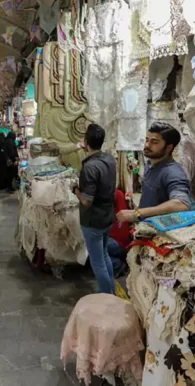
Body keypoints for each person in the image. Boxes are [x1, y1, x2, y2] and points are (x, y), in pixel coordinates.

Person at [116, 122, 192, 224]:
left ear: (169, 148)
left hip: (158, 230)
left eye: (154, 142)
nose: (147, 145)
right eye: (147, 140)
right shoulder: (150, 163)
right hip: (144, 225)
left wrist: (137, 213)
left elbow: (182, 204)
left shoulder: (173, 173)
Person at [73, 124, 117, 295]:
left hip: (93, 219)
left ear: (86, 142)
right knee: (104, 255)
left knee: (97, 262)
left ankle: (107, 297)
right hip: (107, 215)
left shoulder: (90, 167)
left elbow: (86, 201)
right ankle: (111, 292)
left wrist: (75, 190)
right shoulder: (110, 159)